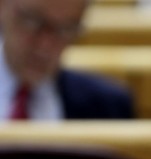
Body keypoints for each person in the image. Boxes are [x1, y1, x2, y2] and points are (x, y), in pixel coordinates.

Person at [0, 0, 134, 120]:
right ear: (2, 5)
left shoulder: (109, 107)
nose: (45, 45)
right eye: (32, 21)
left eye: (65, 29)